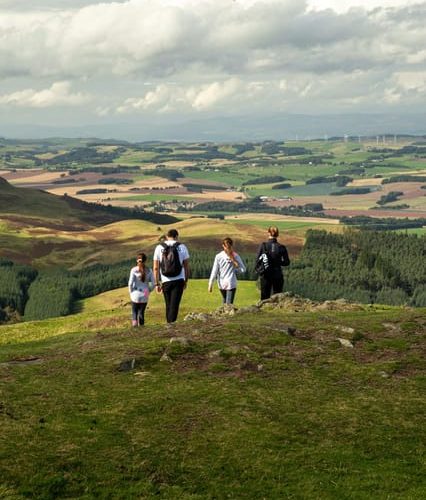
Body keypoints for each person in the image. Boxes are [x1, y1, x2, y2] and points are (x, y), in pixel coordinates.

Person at [153, 228, 190, 324]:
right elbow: (186, 266)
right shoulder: (182, 247)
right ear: (176, 236)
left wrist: (157, 283)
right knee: (175, 305)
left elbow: (156, 268)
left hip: (165, 280)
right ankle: (171, 325)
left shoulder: (159, 248)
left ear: (167, 237)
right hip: (179, 280)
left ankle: (169, 324)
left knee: (168, 304)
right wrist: (186, 281)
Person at [208, 237, 246, 305]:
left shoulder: (218, 256)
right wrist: (235, 269)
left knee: (225, 302)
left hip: (221, 284)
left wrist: (210, 284)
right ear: (232, 246)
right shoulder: (235, 256)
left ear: (223, 245)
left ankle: (223, 315)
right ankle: (227, 315)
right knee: (228, 304)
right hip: (231, 283)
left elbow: (214, 271)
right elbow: (243, 269)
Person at [256, 226, 290, 300]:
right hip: (277, 274)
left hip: (265, 274)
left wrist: (260, 271)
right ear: (277, 234)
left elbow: (258, 261)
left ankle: (263, 310)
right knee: (277, 297)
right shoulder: (281, 247)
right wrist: (278, 262)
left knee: (264, 297)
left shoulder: (263, 246)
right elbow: (287, 262)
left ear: (268, 233)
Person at [128, 252, 155, 326]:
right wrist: (149, 290)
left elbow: (130, 283)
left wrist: (131, 293)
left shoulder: (133, 270)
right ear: (145, 261)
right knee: (141, 312)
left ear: (137, 260)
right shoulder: (149, 270)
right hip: (145, 293)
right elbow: (153, 283)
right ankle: (142, 328)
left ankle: (134, 326)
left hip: (135, 293)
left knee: (134, 312)